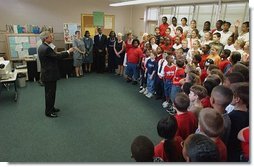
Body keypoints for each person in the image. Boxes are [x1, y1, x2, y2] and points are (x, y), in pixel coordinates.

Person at [38, 31, 73, 118]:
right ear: (45, 38)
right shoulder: (46, 48)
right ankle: (48, 112)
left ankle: (51, 107)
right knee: (50, 93)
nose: (52, 38)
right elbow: (57, 57)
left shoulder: (43, 46)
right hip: (49, 74)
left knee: (51, 93)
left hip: (48, 73)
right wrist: (68, 51)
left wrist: (63, 52)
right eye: (50, 36)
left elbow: (54, 55)